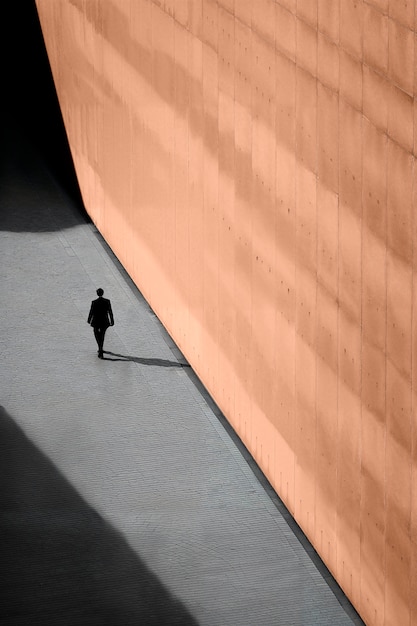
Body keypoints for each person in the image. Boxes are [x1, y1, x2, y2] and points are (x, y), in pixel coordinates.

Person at [87, 288, 114, 358]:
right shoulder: (107, 301)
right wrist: (112, 320)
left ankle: (100, 348)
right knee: (102, 335)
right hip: (104, 321)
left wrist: (89, 320)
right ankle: (100, 348)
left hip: (96, 320)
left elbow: (91, 312)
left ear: (97, 293)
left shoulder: (94, 302)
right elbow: (110, 312)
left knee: (96, 334)